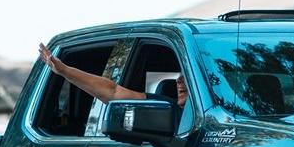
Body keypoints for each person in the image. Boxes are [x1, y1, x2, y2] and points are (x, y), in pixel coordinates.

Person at [37, 43, 188, 109]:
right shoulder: (164, 106)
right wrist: (64, 70)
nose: (180, 80)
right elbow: (113, 92)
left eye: (187, 74)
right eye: (180, 74)